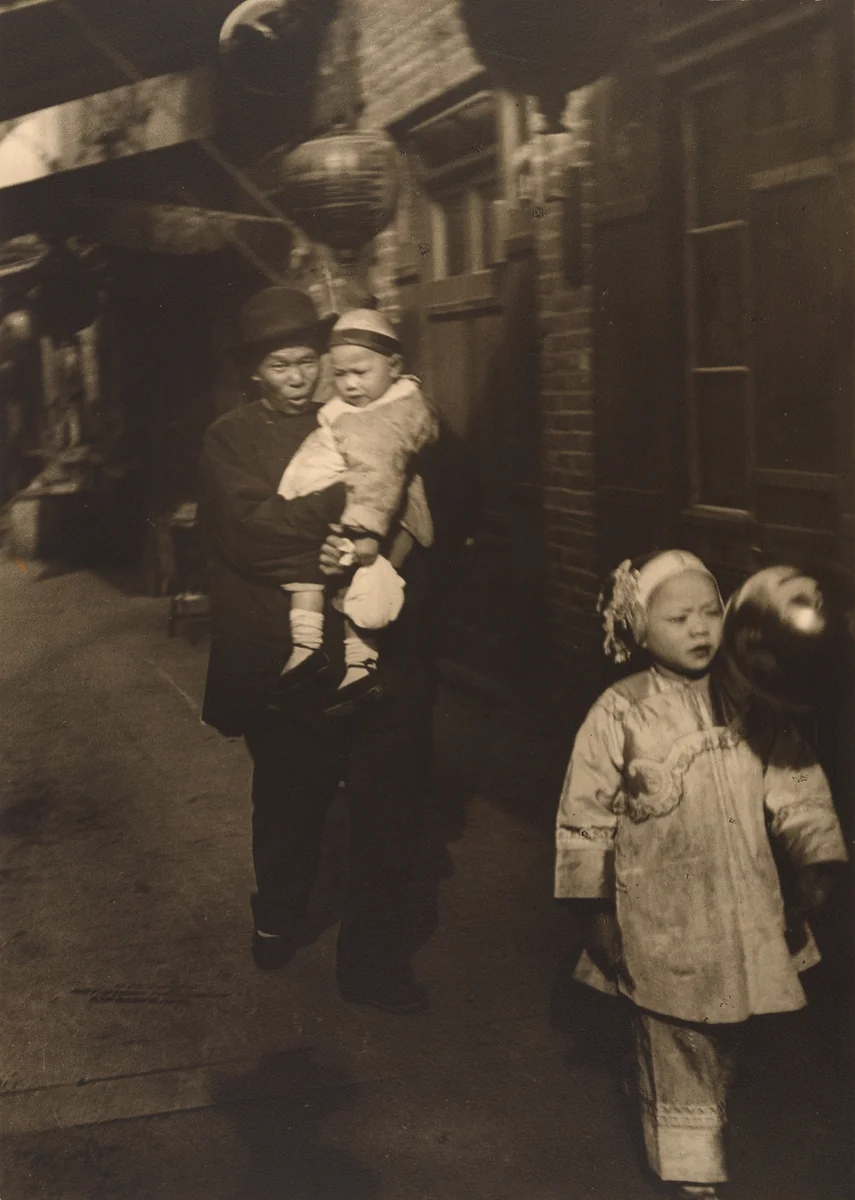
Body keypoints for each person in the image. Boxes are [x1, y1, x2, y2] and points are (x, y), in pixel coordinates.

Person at [554, 550, 848, 1198]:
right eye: (677, 617)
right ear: (639, 628)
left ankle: (688, 1111)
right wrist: (593, 908)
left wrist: (812, 859)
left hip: (740, 902)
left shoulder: (753, 703)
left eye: (710, 612)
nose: (698, 628)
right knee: (675, 1032)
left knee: (727, 1025)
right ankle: (690, 1169)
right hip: (661, 910)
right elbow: (584, 816)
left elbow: (795, 786)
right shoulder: (619, 710)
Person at [198, 286, 435, 1014]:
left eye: (310, 362)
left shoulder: (372, 408)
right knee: (288, 805)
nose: (300, 378)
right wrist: (350, 523)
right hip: (288, 657)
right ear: (255, 371)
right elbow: (248, 537)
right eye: (281, 365)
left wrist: (376, 535)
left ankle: (372, 963)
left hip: (379, 648)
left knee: (388, 815)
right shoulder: (230, 439)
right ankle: (277, 913)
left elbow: (430, 509)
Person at [275, 308, 438, 713]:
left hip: (383, 518)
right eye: (340, 375)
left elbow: (377, 475)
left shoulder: (393, 413)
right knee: (317, 573)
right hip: (350, 510)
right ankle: (309, 647)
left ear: (394, 367)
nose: (349, 384)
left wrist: (365, 531)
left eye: (360, 373)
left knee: (364, 584)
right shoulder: (363, 405)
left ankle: (360, 666)